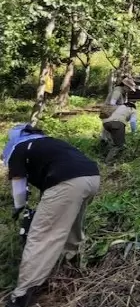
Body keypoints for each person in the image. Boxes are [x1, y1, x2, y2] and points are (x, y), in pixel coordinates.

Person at [3, 125, 100, 307]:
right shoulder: (49, 142)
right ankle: (70, 263)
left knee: (42, 236)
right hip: (92, 177)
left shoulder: (17, 149)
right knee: (71, 223)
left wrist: (19, 208)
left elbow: (18, 187)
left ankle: (23, 295)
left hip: (66, 182)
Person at [100, 76, 137, 145]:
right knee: (109, 129)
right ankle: (105, 143)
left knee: (108, 129)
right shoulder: (118, 91)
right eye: (129, 88)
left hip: (113, 112)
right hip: (109, 110)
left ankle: (106, 143)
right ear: (125, 86)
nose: (130, 90)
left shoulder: (124, 92)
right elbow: (112, 102)